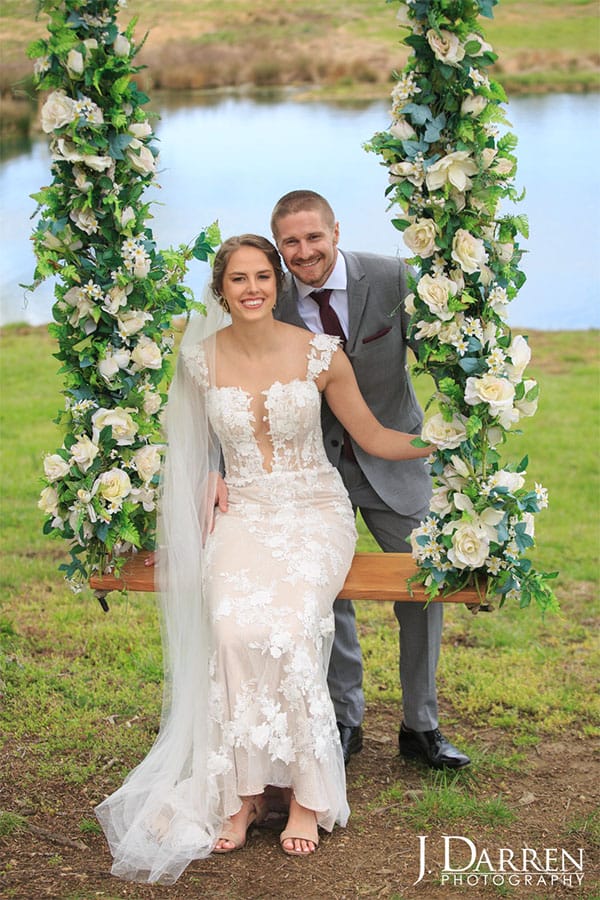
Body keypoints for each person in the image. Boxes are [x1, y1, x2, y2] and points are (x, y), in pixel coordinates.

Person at [95, 234, 434, 884]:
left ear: (277, 285)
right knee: (231, 629)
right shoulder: (198, 360)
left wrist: (451, 441)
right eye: (238, 278)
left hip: (313, 513)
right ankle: (242, 795)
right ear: (221, 288)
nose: (251, 288)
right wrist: (206, 479)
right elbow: (190, 444)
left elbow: (371, 436)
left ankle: (307, 797)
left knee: (288, 626)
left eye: (262, 277)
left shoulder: (320, 355)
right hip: (244, 512)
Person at [270, 190, 470, 771]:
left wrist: (458, 436)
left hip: (394, 455)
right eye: (291, 242)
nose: (305, 252)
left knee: (423, 588)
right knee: (326, 594)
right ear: (279, 246)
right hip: (314, 468)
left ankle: (421, 726)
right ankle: (343, 718)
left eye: (314, 237)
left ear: (336, 229)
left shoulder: (392, 277)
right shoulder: (268, 297)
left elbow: (445, 355)